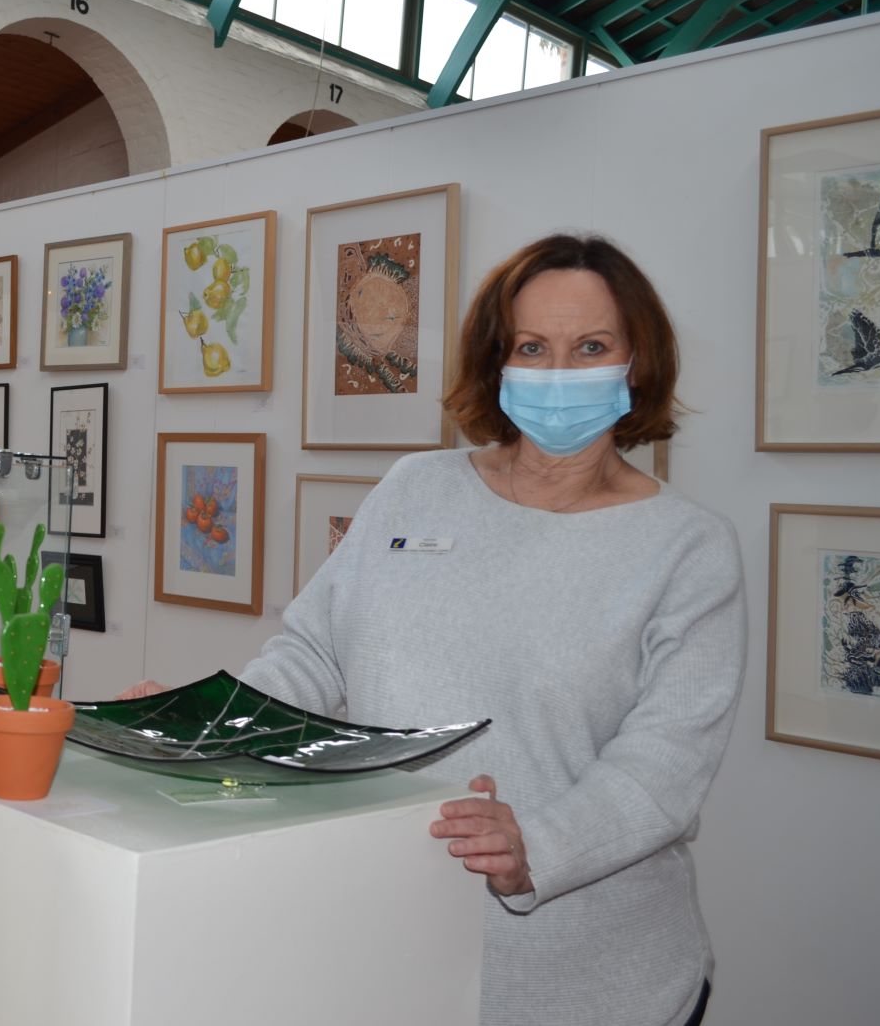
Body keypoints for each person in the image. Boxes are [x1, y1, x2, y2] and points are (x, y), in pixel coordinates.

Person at [128, 234, 745, 1026]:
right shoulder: (416, 487)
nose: (559, 373)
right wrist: (206, 722)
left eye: (590, 346)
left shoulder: (685, 546)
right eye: (531, 346)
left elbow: (663, 768)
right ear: (497, 361)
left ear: (635, 363)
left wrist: (538, 848)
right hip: (388, 946)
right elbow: (316, 654)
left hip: (589, 981)